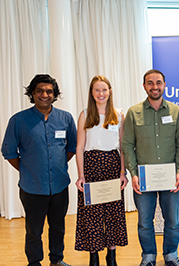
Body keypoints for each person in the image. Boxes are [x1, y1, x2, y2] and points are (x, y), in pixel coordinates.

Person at [1, 74, 77, 266]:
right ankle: (34, 262)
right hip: (32, 187)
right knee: (34, 230)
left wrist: (57, 166)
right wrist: (29, 169)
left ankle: (57, 260)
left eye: (49, 91)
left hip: (60, 185)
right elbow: (9, 152)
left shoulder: (65, 118)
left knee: (58, 227)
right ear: (32, 94)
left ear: (55, 94)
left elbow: (72, 147)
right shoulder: (18, 120)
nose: (45, 94)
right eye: (40, 91)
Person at [122, 69, 179, 266]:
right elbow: (127, 144)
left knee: (173, 222)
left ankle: (171, 255)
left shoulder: (176, 112)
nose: (155, 87)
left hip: (169, 178)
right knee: (144, 222)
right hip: (143, 178)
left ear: (165, 85)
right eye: (150, 83)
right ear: (144, 86)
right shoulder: (134, 112)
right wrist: (133, 173)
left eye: (158, 82)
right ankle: (148, 256)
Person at [74, 75, 128, 266]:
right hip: (91, 165)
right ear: (91, 93)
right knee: (92, 213)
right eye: (97, 90)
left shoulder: (118, 114)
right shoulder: (84, 114)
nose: (101, 93)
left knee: (113, 212)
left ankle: (111, 256)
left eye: (104, 89)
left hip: (113, 166)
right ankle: (94, 256)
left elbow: (122, 146)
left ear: (110, 91)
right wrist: (81, 176)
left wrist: (123, 172)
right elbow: (79, 147)